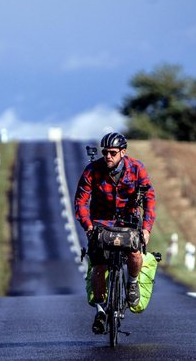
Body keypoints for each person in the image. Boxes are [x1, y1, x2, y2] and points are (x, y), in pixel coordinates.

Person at [74, 132, 156, 334]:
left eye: (112, 152)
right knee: (99, 266)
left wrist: (146, 228)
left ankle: (132, 283)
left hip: (129, 222)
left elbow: (149, 198)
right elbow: (81, 202)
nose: (107, 156)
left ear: (123, 152)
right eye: (105, 152)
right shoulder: (92, 170)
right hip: (100, 224)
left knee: (135, 253)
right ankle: (101, 311)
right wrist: (88, 226)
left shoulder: (136, 168)